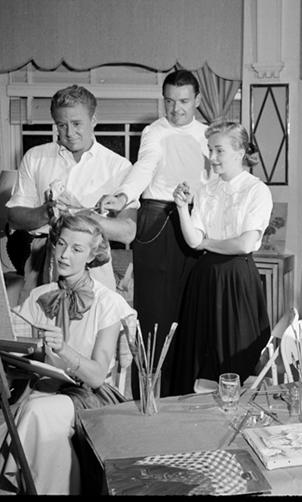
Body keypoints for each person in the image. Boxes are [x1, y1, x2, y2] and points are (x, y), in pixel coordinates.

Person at [0, 215, 137, 495]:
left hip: (90, 396)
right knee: (36, 412)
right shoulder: (40, 295)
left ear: (92, 256)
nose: (65, 255)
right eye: (61, 244)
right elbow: (14, 347)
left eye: (77, 249)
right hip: (43, 389)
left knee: (36, 412)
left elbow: (96, 376)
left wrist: (63, 348)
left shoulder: (108, 302)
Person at [98, 70, 209, 397]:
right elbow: (144, 166)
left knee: (191, 316)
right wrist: (122, 196)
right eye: (170, 101)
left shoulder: (209, 135)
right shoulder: (155, 131)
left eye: (184, 101)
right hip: (157, 220)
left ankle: (183, 400)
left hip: (196, 221)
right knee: (154, 320)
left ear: (198, 100)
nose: (176, 109)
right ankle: (146, 399)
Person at [6, 84, 138, 308]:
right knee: (37, 326)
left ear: (93, 120)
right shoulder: (35, 157)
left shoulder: (118, 166)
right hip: (42, 260)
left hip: (95, 265)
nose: (69, 132)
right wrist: (47, 212)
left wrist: (81, 215)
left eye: (77, 124)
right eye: (61, 125)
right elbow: (14, 217)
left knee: (92, 328)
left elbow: (127, 232)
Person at [168, 121, 272, 396]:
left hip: (238, 280)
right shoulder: (206, 190)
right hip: (204, 280)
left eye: (219, 151)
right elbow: (193, 241)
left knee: (235, 355)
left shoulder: (257, 190)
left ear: (240, 152)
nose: (212, 157)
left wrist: (207, 243)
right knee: (199, 356)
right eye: (210, 150)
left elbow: (245, 244)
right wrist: (182, 208)